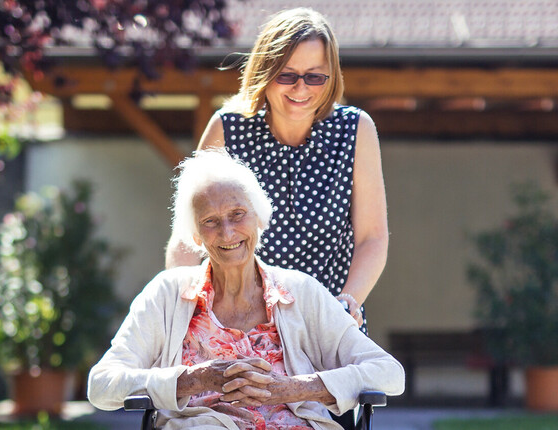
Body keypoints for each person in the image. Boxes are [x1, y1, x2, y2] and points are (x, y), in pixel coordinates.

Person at [89, 150, 403, 429]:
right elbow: (102, 384)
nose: (227, 232)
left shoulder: (301, 293)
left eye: (237, 214)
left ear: (259, 218)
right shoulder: (167, 294)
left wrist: (293, 388)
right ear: (196, 236)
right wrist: (193, 380)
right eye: (210, 221)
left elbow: (389, 373)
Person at [165, 7, 388, 331]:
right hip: (239, 329)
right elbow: (187, 238)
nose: (301, 89)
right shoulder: (228, 129)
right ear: (264, 72)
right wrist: (179, 309)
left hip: (327, 324)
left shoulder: (355, 130)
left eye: (314, 76)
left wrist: (347, 302)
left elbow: (373, 238)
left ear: (331, 77)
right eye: (287, 75)